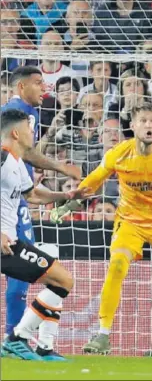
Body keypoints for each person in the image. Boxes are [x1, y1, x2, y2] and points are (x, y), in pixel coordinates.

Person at [50, 103, 152, 358]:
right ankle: (102, 335)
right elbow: (94, 181)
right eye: (143, 120)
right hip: (130, 222)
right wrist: (70, 203)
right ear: (133, 126)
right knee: (116, 266)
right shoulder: (119, 154)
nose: (149, 125)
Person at [1, 67, 81, 346]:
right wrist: (63, 167)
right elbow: (33, 154)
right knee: (36, 275)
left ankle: (33, 342)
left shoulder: (16, 160)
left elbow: (33, 192)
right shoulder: (16, 115)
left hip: (16, 204)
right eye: (37, 83)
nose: (44, 88)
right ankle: (15, 337)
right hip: (8, 216)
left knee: (50, 276)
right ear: (21, 87)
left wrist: (66, 195)